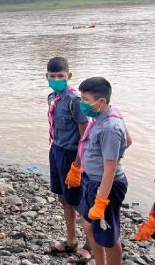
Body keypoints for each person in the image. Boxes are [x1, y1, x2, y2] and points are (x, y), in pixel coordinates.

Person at [76, 77, 132, 265]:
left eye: (85, 99)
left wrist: (101, 201)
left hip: (106, 185)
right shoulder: (101, 115)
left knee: (108, 237)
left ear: (101, 102)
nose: (81, 103)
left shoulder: (109, 127)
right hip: (92, 181)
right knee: (88, 224)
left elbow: (110, 170)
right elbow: (129, 141)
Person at [44, 57, 92, 262]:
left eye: (61, 76)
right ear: (46, 77)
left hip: (72, 155)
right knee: (64, 198)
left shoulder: (75, 101)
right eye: (52, 76)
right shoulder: (51, 97)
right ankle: (71, 240)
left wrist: (78, 165)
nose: (57, 79)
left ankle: (90, 246)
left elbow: (85, 136)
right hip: (56, 150)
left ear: (69, 76)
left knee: (80, 202)